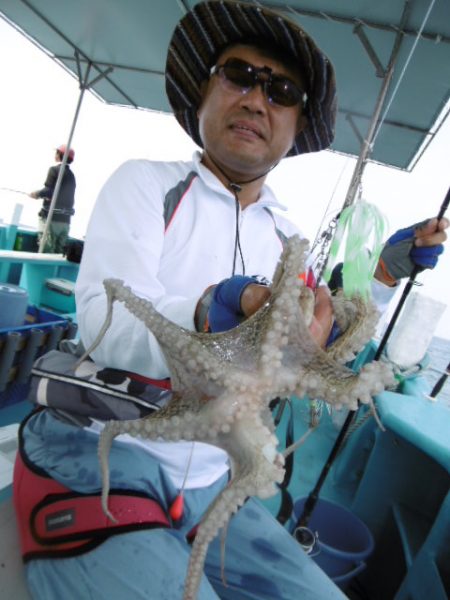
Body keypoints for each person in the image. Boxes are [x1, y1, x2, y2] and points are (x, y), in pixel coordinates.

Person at [14, 3, 446, 600]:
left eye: (281, 89)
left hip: (216, 478)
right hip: (98, 445)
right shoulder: (145, 184)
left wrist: (382, 272)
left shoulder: (281, 233)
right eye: (237, 75)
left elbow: (315, 335)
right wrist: (217, 308)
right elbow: (100, 321)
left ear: (296, 125)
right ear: (204, 94)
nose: (255, 98)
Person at [29, 144, 76, 253]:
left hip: (51, 220)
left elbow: (48, 191)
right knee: (58, 253)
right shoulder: (72, 175)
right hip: (65, 222)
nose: (55, 154)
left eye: (57, 152)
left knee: (46, 250)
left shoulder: (54, 170)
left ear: (60, 155)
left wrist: (36, 194)